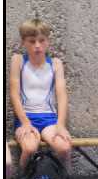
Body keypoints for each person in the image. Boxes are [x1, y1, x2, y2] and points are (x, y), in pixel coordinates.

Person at [9, 18, 73, 168]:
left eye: (41, 40)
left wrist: (60, 124)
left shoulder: (55, 63)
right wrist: (25, 123)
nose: (37, 45)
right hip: (26, 118)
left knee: (64, 147)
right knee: (30, 148)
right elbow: (14, 94)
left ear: (47, 41)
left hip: (49, 119)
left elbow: (62, 96)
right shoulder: (18, 60)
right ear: (23, 42)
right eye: (32, 41)